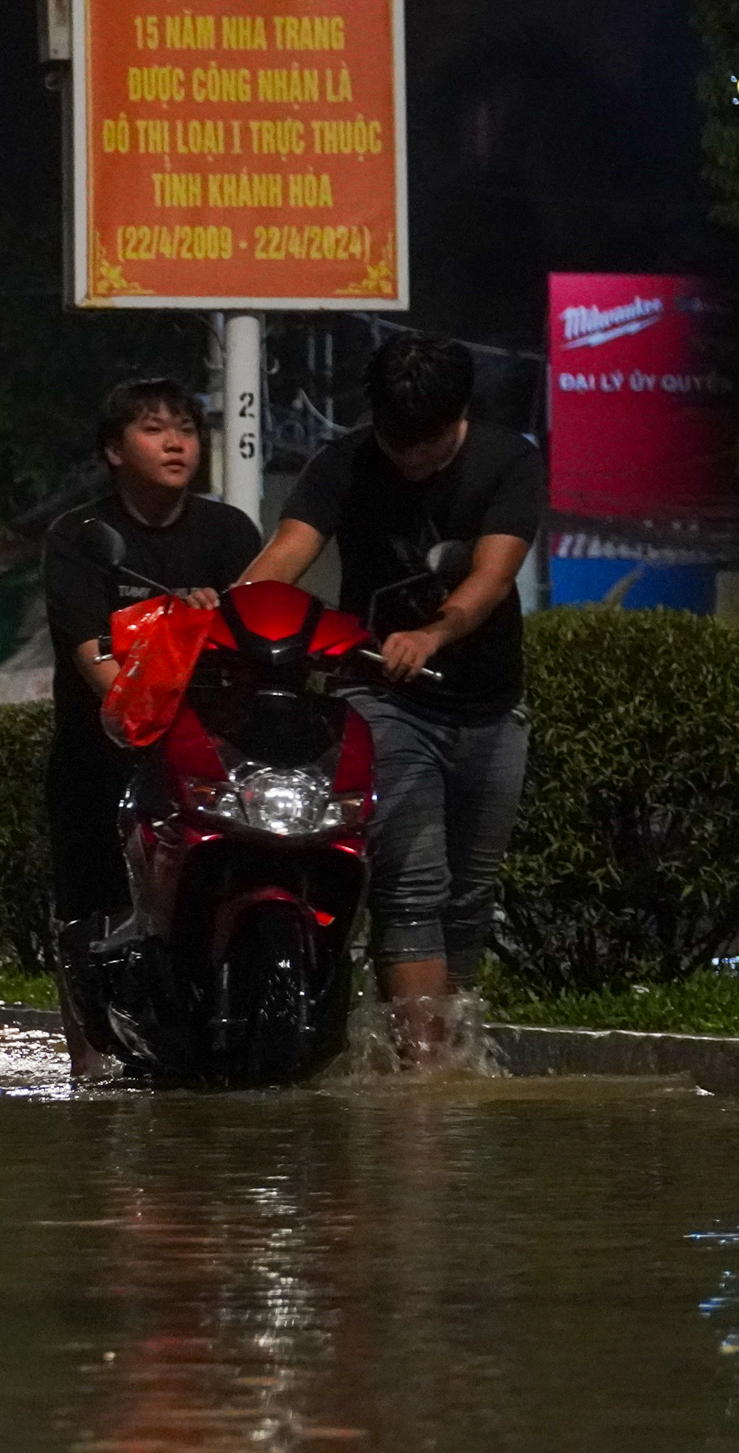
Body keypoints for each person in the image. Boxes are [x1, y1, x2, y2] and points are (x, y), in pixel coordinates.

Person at [234, 332, 543, 1061]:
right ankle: (423, 1071)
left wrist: (431, 635)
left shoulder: (510, 461)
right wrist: (229, 610)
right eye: (395, 439)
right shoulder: (344, 463)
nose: (409, 457)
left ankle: (453, 1055)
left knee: (469, 896)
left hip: (491, 707)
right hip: (385, 701)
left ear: (459, 414)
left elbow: (492, 578)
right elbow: (287, 552)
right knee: (412, 884)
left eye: (427, 442)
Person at [42, 378, 261, 1077]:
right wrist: (148, 692)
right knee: (90, 908)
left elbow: (257, 639)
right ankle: (87, 1062)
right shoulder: (79, 538)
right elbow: (93, 656)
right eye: (154, 429)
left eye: (187, 430)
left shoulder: (230, 534)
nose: (175, 443)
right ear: (114, 449)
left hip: (212, 757)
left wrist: (216, 623)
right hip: (101, 755)